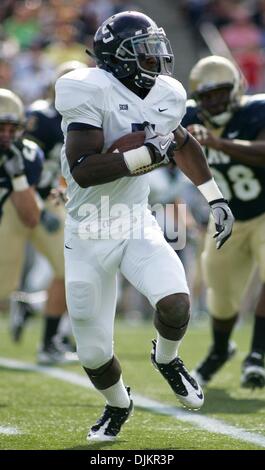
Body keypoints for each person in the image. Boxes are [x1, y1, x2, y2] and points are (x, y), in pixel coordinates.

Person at [55, 12, 234, 442]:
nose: (156, 56)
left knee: (177, 302)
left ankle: (168, 359)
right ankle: (118, 404)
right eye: (143, 49)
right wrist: (144, 156)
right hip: (88, 229)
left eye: (156, 45)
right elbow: (83, 170)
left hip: (136, 220)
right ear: (117, 58)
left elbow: (181, 143)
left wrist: (214, 196)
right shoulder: (85, 88)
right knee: (95, 352)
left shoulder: (168, 93)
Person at [181, 55, 265, 389]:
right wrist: (184, 141)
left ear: (236, 89)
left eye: (220, 93)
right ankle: (220, 350)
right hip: (227, 217)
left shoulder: (255, 111)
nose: (214, 101)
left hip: (264, 210)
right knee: (221, 295)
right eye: (207, 96)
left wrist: (216, 143)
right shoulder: (187, 118)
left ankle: (257, 354)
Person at [8, 61, 87, 363]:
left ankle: (49, 341)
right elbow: (21, 162)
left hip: (50, 199)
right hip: (19, 198)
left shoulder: (84, 120)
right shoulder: (41, 117)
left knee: (69, 271)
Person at [0, 89, 41, 229]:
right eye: (0, 129)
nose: (6, 136)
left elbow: (31, 219)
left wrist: (18, 176)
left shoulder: (24, 155)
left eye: (12, 130)